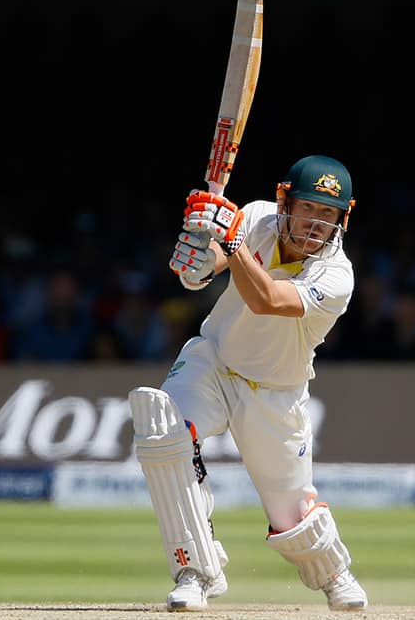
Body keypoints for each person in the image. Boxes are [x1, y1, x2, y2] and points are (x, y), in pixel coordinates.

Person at [128, 155, 368, 612]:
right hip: (214, 362)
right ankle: (195, 571)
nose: (316, 224)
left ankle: (333, 572)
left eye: (328, 214)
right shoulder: (256, 216)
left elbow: (268, 299)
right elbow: (210, 264)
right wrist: (201, 253)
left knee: (292, 515)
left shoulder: (337, 275)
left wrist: (231, 242)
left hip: (277, 392)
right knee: (163, 432)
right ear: (283, 200)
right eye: (307, 209)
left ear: (343, 218)